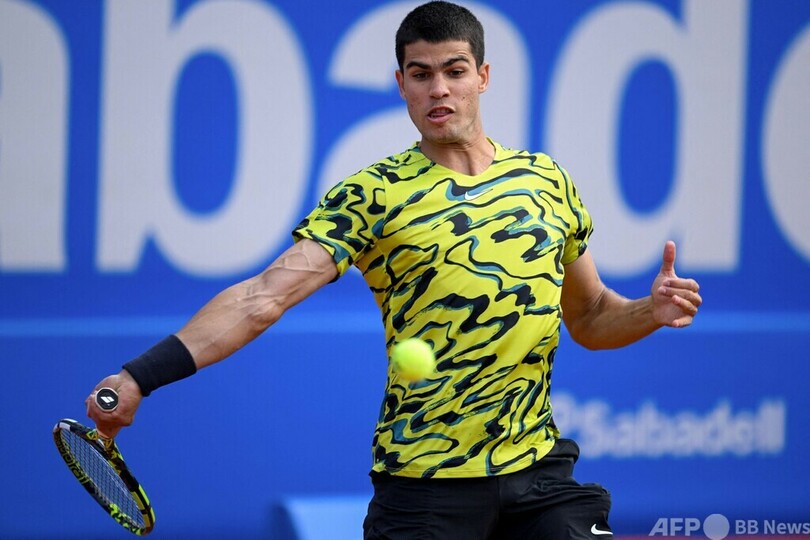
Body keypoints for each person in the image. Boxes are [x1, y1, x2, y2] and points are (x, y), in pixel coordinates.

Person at [87, 2, 702, 538]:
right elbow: (261, 298)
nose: (439, 89)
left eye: (455, 71)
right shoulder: (372, 195)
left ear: (483, 77)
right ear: (401, 84)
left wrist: (650, 311)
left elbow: (589, 316)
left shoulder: (546, 180)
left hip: (540, 476)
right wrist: (141, 376)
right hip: (424, 488)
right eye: (421, 74)